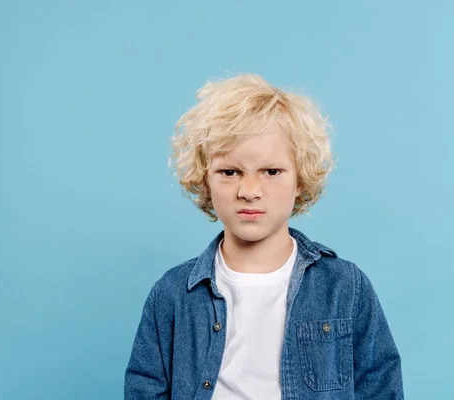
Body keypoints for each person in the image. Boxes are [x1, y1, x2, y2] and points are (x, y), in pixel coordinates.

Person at [124, 74, 404, 399]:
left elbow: (381, 389)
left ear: (300, 179)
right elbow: (144, 389)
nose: (250, 191)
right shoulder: (172, 295)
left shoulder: (345, 288)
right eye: (230, 172)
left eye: (271, 172)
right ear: (204, 181)